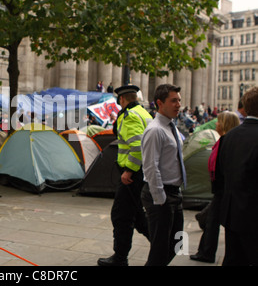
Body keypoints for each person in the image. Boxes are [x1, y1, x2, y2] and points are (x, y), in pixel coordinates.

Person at [97, 85, 152, 266]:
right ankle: (162, 244)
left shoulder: (129, 116)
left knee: (121, 215)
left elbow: (137, 147)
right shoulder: (144, 113)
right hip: (142, 172)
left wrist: (129, 170)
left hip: (132, 174)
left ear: (121, 100)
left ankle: (120, 258)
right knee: (136, 215)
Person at [141, 84, 186, 266]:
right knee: (160, 248)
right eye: (173, 100)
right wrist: (161, 199)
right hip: (161, 194)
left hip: (174, 193)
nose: (178, 105)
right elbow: (151, 167)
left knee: (177, 242)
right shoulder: (155, 130)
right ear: (160, 103)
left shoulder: (171, 127)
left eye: (179, 100)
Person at [190, 111, 240, 263]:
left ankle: (207, 252)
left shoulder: (226, 142)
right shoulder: (224, 140)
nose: (216, 124)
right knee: (212, 219)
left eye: (219, 121)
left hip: (223, 188)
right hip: (220, 188)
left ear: (225, 124)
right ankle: (206, 251)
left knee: (213, 221)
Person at [217, 87, 258, 266]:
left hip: (231, 212)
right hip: (253, 214)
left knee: (233, 259)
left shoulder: (229, 136)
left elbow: (220, 175)